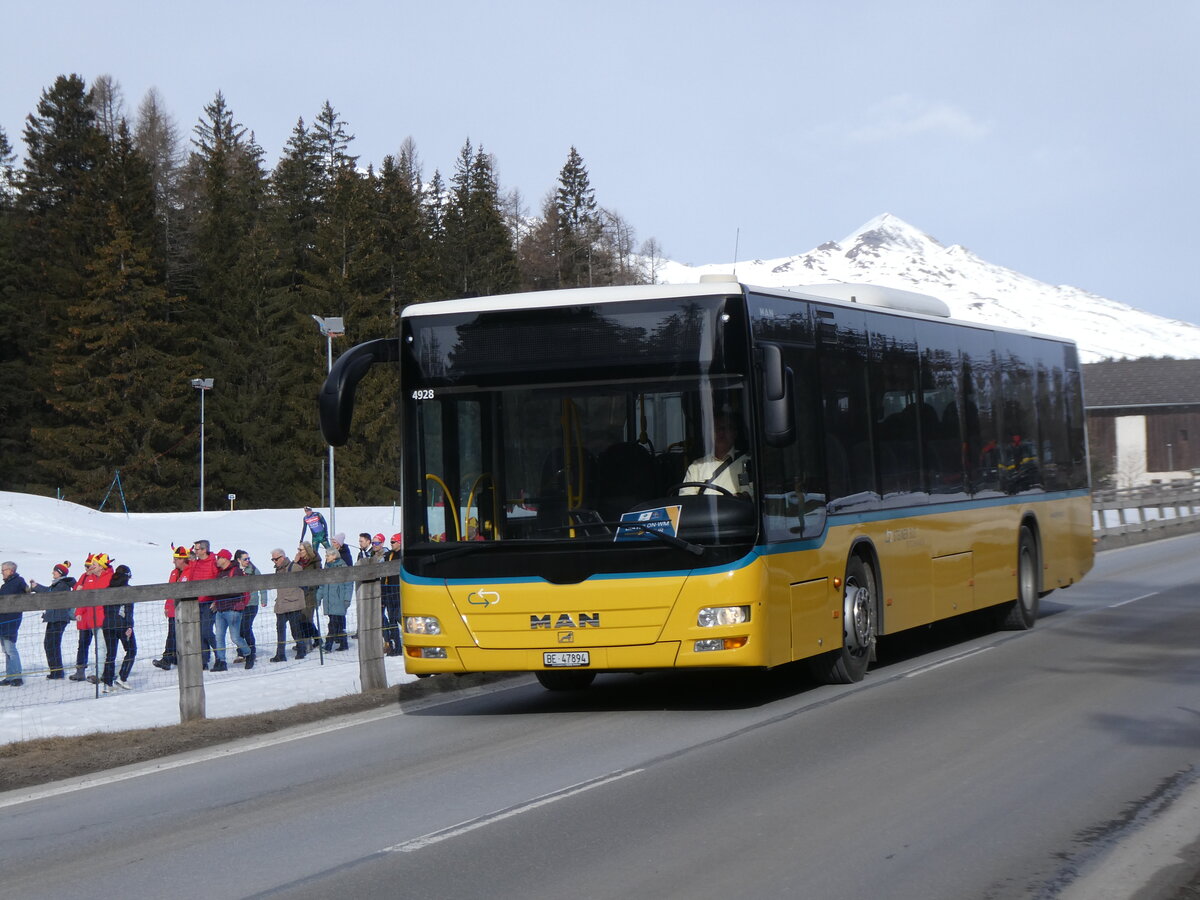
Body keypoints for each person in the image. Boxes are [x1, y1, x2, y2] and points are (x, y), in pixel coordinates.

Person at [680, 409, 754, 498]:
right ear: (710, 434)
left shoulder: (748, 461)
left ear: (735, 433)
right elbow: (686, 500)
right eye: (717, 429)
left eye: (726, 428)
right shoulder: (696, 467)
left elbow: (750, 496)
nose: (721, 433)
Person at [30, 561, 76, 679]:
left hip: (58, 618)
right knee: (50, 644)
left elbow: (50, 594)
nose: (53, 573)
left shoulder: (62, 585)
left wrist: (36, 587)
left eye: (55, 571)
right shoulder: (58, 584)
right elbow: (49, 591)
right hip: (54, 617)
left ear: (60, 573)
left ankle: (57, 672)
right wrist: (36, 586)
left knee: (52, 644)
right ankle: (56, 671)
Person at [71, 553, 111, 681]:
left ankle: (100, 673)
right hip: (91, 618)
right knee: (96, 646)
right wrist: (78, 612)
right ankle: (100, 672)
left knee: (102, 646)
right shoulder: (88, 578)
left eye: (93, 564)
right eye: (89, 565)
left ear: (101, 566)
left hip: (105, 618)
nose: (90, 567)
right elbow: (83, 597)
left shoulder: (110, 577)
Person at [210, 549, 252, 671]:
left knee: (235, 637)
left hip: (232, 609)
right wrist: (216, 600)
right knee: (219, 637)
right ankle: (221, 661)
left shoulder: (236, 571)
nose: (217, 560)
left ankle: (248, 654)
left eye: (219, 558)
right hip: (220, 609)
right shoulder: (220, 573)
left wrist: (222, 593)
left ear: (225, 559)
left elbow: (238, 589)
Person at [95, 564, 136, 690]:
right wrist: (129, 626)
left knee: (110, 654)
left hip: (108, 624)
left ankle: (108, 683)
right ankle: (122, 677)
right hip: (122, 625)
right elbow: (128, 609)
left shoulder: (108, 588)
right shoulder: (127, 590)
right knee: (131, 650)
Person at [152, 545, 189, 670]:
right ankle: (169, 658)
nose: (173, 561)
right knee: (172, 635)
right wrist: (167, 606)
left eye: (176, 559)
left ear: (183, 559)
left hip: (186, 610)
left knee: (180, 635)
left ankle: (170, 659)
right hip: (174, 610)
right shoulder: (174, 573)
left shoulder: (190, 571)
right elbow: (169, 591)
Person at [185, 540, 220, 670]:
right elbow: (191, 580)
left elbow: (219, 582)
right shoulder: (196, 563)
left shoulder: (213, 563)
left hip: (209, 603)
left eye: (197, 549)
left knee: (206, 631)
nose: (195, 551)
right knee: (199, 632)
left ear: (204, 550)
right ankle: (203, 660)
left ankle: (219, 656)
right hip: (197, 602)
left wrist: (216, 601)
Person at [268, 549, 307, 662]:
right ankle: (280, 654)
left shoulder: (294, 567)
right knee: (280, 629)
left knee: (295, 629)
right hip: (281, 604)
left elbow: (303, 579)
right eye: (272, 559)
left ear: (282, 557)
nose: (274, 561)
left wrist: (295, 562)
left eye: (276, 559)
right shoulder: (278, 570)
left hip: (293, 603)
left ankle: (301, 649)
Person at [318, 547, 352, 652]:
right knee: (338, 624)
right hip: (329, 601)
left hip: (339, 601)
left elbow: (348, 585)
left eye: (328, 555)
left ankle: (328, 645)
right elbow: (322, 585)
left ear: (334, 556)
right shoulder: (326, 568)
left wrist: (347, 599)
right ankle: (344, 643)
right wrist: (318, 598)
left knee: (333, 624)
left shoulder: (342, 567)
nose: (326, 557)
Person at [0, 561, 28, 686]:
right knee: (6, 650)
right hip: (3, 620)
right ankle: (10, 676)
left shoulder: (18, 582)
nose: (2, 572)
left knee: (11, 649)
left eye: (4, 570)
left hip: (11, 620)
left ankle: (17, 676)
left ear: (11, 571)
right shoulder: (6, 585)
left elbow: (25, 592)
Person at [236, 549, 265, 664]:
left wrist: (263, 599)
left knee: (246, 627)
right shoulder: (235, 571)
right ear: (238, 560)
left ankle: (251, 651)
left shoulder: (253, 570)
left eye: (248, 558)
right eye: (245, 559)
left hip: (252, 603)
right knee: (239, 629)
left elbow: (262, 584)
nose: (247, 561)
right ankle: (241, 653)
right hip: (239, 604)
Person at [294, 541, 323, 649]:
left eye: (301, 550)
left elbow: (319, 577)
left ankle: (307, 644)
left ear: (307, 550)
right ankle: (317, 639)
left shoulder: (315, 561)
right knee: (301, 619)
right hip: (299, 594)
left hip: (311, 594)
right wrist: (295, 562)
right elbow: (291, 573)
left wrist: (310, 587)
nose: (299, 552)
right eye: (298, 549)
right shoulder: (299, 562)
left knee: (307, 618)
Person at [381, 533, 403, 656]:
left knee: (399, 618)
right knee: (392, 621)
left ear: (400, 542)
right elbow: (384, 575)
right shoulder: (389, 555)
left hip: (399, 592)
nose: (391, 544)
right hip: (389, 591)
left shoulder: (403, 555)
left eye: (393, 542)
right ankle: (397, 647)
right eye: (391, 542)